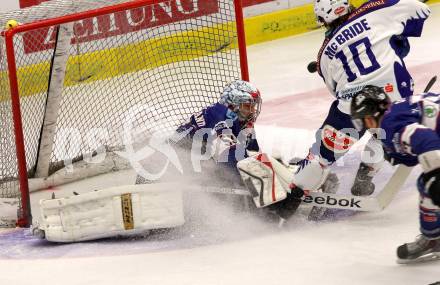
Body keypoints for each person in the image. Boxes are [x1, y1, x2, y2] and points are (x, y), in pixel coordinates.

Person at [286, 0, 431, 208]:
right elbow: (421, 9)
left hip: (352, 105)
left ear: (323, 20)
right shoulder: (376, 8)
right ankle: (366, 175)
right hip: (395, 90)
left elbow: (334, 90)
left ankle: (290, 199)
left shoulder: (324, 54)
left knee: (322, 154)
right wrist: (396, 41)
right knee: (384, 133)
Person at [350, 85, 440, 263]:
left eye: (364, 121)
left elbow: (426, 139)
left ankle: (433, 239)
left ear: (372, 117)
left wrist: (436, 175)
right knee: (427, 185)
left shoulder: (389, 124)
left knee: (431, 185)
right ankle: (433, 239)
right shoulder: (398, 109)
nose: (366, 128)